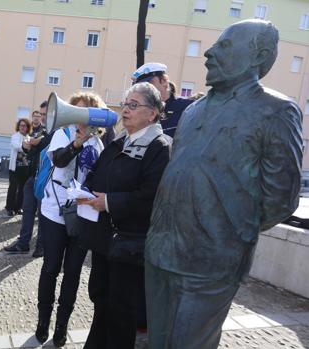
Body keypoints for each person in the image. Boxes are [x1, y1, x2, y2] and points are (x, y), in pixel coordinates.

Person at [145, 20, 303, 349]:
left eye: (225, 46)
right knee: (157, 342)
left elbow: (281, 199)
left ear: (257, 56)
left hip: (211, 261)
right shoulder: (193, 111)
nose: (209, 52)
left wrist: (226, 233)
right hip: (160, 250)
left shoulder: (276, 111)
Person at [74, 83, 171, 348]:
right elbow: (98, 172)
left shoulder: (159, 148)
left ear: (152, 114)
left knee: (121, 310)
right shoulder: (119, 141)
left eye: (133, 105)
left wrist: (110, 202)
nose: (125, 110)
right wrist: (85, 191)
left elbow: (152, 196)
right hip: (107, 240)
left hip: (130, 245)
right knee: (101, 299)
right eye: (125, 104)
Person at [34, 92, 106, 347]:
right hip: (54, 212)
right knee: (51, 268)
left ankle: (61, 326)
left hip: (82, 215)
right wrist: (77, 143)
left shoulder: (98, 143)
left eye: (84, 112)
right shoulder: (60, 136)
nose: (79, 118)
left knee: (73, 273)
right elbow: (60, 160)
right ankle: (43, 321)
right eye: (74, 112)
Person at [4, 103, 50, 257]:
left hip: (45, 179)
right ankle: (23, 244)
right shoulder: (41, 131)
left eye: (45, 114)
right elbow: (31, 152)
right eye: (41, 114)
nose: (42, 117)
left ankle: (41, 246)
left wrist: (38, 142)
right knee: (27, 211)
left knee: (43, 214)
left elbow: (49, 144)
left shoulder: (55, 131)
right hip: (32, 176)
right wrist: (26, 146)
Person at [132, 62, 193, 138]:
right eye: (141, 86)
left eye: (149, 83)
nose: (145, 89)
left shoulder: (187, 108)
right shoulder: (140, 113)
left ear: (163, 81)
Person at [5, 118, 31, 216]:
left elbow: (30, 150)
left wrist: (28, 145)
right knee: (13, 188)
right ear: (18, 126)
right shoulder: (15, 136)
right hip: (15, 168)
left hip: (25, 168)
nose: (23, 127)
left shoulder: (29, 137)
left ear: (28, 127)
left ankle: (18, 208)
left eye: (25, 125)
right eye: (21, 125)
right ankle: (9, 208)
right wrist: (26, 146)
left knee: (22, 190)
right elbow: (16, 146)